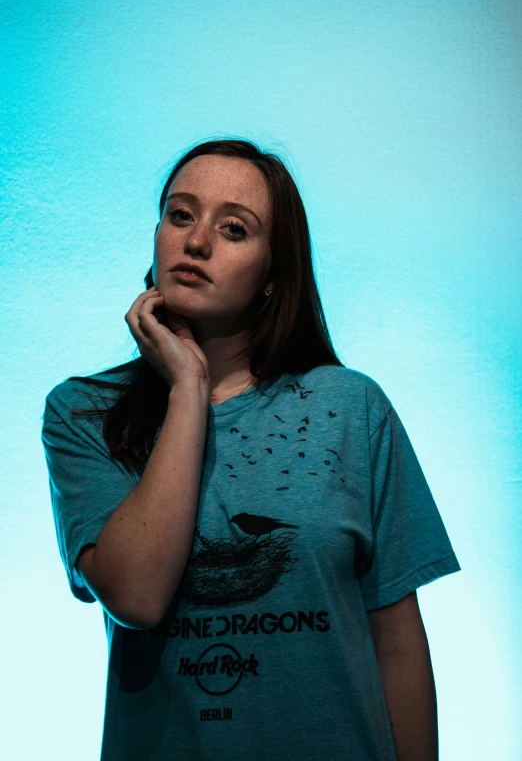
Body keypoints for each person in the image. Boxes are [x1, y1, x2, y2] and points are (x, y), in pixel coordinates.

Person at [41, 138, 461, 761]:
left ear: (273, 275)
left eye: (233, 228)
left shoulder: (350, 407)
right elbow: (135, 596)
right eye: (180, 215)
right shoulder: (83, 412)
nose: (197, 241)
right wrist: (188, 388)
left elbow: (396, 641)